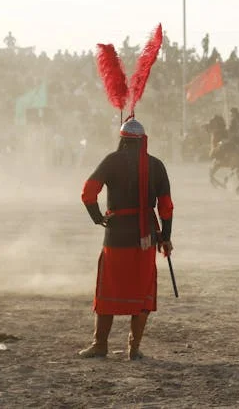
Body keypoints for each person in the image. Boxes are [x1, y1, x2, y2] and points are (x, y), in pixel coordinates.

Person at [80, 117, 174, 360]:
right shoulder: (156, 165)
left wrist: (97, 217)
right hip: (146, 237)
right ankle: (133, 349)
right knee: (142, 290)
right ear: (143, 141)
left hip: (116, 234)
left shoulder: (112, 160)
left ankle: (100, 345)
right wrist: (166, 237)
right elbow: (166, 207)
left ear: (122, 140)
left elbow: (88, 192)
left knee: (108, 288)